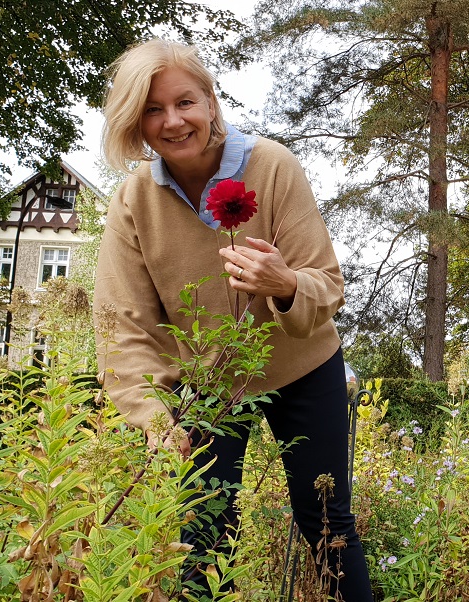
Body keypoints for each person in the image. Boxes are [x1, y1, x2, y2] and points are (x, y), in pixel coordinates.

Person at [93, 38, 373, 600]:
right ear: (134, 121)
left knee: (325, 522)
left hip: (302, 367)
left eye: (185, 102)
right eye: (152, 109)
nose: (172, 121)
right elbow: (123, 324)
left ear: (211, 101)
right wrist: (152, 415)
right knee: (204, 531)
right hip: (209, 383)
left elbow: (327, 284)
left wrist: (287, 283)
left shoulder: (271, 167)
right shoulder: (132, 202)